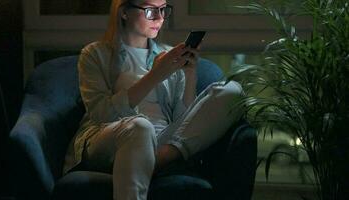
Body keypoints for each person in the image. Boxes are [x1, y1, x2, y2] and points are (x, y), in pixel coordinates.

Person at [63, 0, 245, 199]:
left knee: (233, 90)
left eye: (163, 9)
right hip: (110, 139)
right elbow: (101, 114)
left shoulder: (168, 55)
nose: (160, 18)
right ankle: (153, 160)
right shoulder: (95, 54)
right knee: (141, 127)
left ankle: (160, 157)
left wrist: (190, 75)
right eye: (150, 10)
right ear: (124, 12)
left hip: (162, 140)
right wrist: (156, 74)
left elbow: (184, 122)